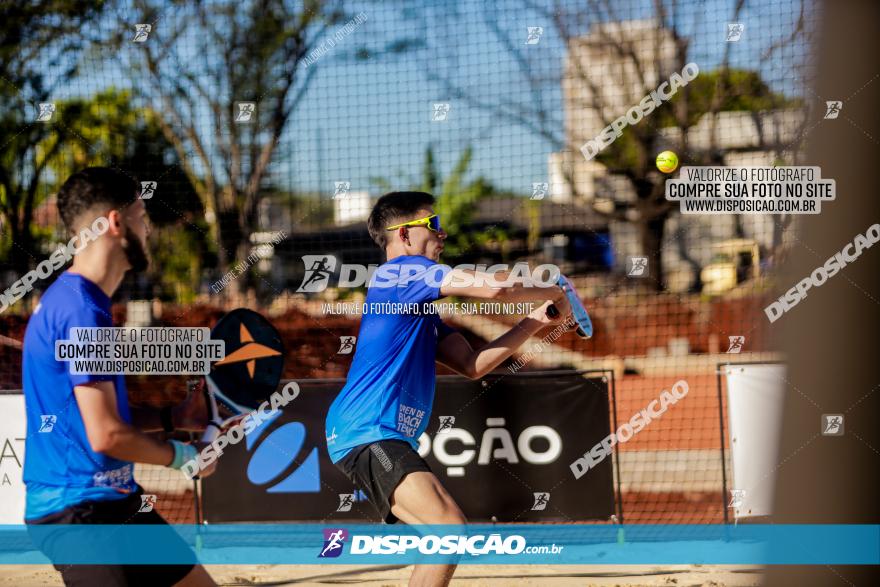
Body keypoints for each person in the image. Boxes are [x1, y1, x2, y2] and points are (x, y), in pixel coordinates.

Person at [324, 191, 572, 586]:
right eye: (434, 225)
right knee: (448, 531)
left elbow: (474, 366)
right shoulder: (399, 273)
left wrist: (537, 320)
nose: (443, 234)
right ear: (404, 235)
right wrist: (553, 290)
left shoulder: (420, 308)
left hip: (374, 435)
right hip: (367, 431)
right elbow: (495, 289)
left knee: (442, 536)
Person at [22, 167, 217, 586]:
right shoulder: (81, 310)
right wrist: (186, 460)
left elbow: (97, 416)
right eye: (141, 215)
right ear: (115, 222)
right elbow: (106, 435)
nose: (147, 229)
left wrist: (171, 417)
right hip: (80, 513)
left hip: (111, 500)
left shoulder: (80, 301)